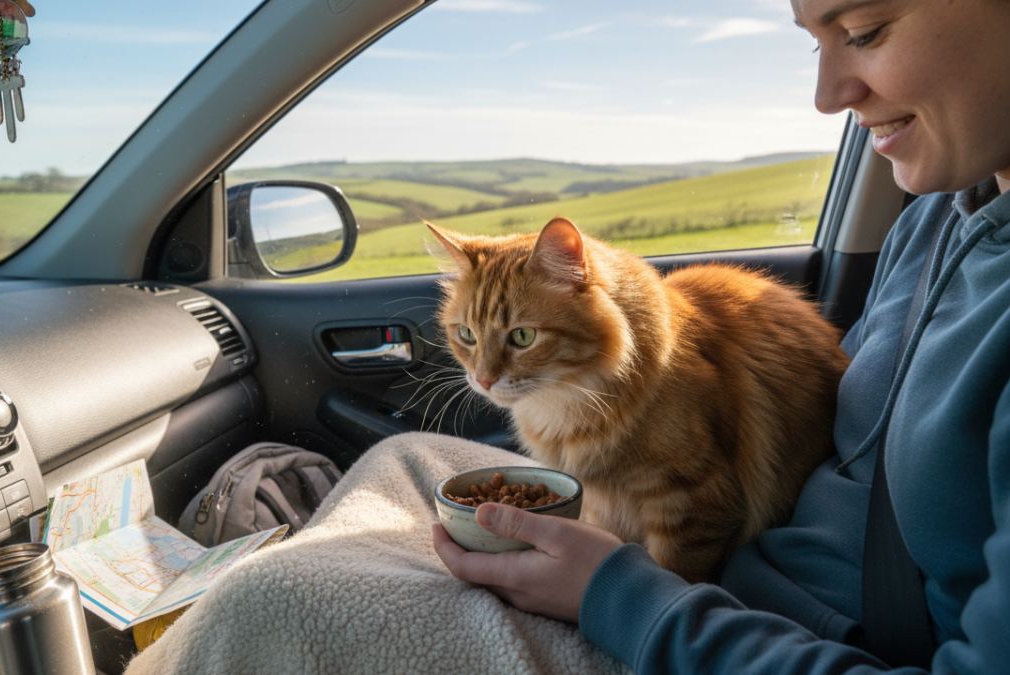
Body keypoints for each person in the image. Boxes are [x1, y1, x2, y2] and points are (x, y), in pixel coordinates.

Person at [432, 0, 1010, 672]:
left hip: (722, 629)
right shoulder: (932, 224)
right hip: (731, 596)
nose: (826, 97)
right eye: (813, 45)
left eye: (864, 31)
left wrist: (617, 592)